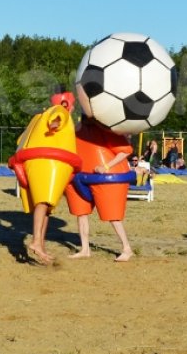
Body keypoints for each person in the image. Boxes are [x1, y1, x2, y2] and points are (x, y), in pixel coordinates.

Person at [8, 90, 79, 263]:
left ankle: (40, 244)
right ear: (67, 103)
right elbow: (56, 119)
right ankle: (35, 242)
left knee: (47, 206)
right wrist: (55, 124)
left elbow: (21, 141)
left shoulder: (38, 117)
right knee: (43, 202)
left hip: (38, 161)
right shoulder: (60, 111)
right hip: (48, 162)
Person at [65, 115, 135, 261]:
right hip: (80, 176)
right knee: (81, 213)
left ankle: (127, 248)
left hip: (107, 177)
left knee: (113, 216)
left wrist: (106, 166)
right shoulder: (77, 131)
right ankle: (85, 249)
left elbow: (125, 151)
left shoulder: (105, 131)